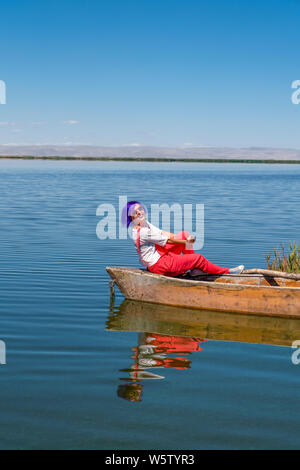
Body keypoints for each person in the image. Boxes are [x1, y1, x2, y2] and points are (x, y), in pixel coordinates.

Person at [121, 201, 244, 277]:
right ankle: (226, 272)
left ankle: (195, 270)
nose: (139, 212)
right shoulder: (142, 231)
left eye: (140, 209)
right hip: (160, 265)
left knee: (184, 234)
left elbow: (163, 233)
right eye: (134, 211)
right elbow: (167, 241)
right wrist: (186, 243)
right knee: (199, 258)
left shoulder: (143, 223)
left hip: (160, 255)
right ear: (130, 216)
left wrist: (183, 239)